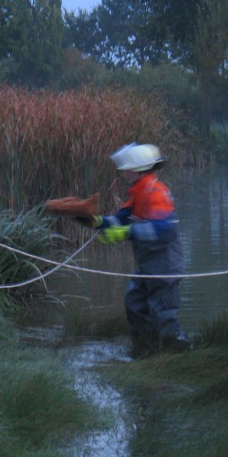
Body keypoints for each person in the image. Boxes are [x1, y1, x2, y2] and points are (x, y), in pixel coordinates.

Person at [91, 143, 186, 355]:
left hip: (165, 266)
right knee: (135, 305)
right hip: (147, 266)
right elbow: (119, 220)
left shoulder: (156, 193)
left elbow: (165, 230)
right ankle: (144, 352)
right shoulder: (139, 193)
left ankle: (177, 357)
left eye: (127, 169)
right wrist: (95, 221)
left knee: (164, 314)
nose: (123, 173)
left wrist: (127, 233)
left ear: (137, 170)